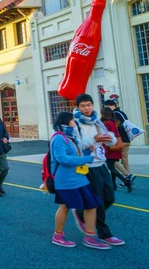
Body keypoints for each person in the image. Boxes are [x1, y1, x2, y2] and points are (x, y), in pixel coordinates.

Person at [48, 113, 109, 249]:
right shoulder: (59, 138)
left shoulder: (70, 137)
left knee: (91, 204)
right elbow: (62, 158)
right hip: (66, 180)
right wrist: (86, 159)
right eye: (72, 120)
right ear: (67, 121)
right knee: (65, 206)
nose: (74, 122)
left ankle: (90, 236)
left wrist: (86, 153)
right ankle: (57, 236)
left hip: (78, 178)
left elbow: (74, 154)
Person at [72, 93, 124, 246]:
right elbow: (77, 146)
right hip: (88, 166)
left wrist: (110, 139)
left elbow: (110, 139)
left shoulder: (97, 121)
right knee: (98, 201)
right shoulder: (75, 124)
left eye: (89, 105)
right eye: (83, 106)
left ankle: (81, 212)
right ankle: (104, 233)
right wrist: (95, 140)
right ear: (78, 107)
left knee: (109, 197)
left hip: (101, 164)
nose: (87, 108)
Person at [103, 99, 135, 184]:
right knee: (124, 159)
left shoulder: (114, 115)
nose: (108, 109)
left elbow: (114, 128)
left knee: (113, 160)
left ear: (112, 106)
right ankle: (128, 178)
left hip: (120, 140)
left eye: (108, 107)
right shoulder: (122, 113)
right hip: (127, 139)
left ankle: (127, 175)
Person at [100, 108, 131, 192]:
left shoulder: (105, 123)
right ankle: (113, 185)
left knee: (111, 167)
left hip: (109, 146)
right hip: (116, 145)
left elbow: (104, 135)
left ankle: (125, 181)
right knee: (112, 166)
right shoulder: (113, 122)